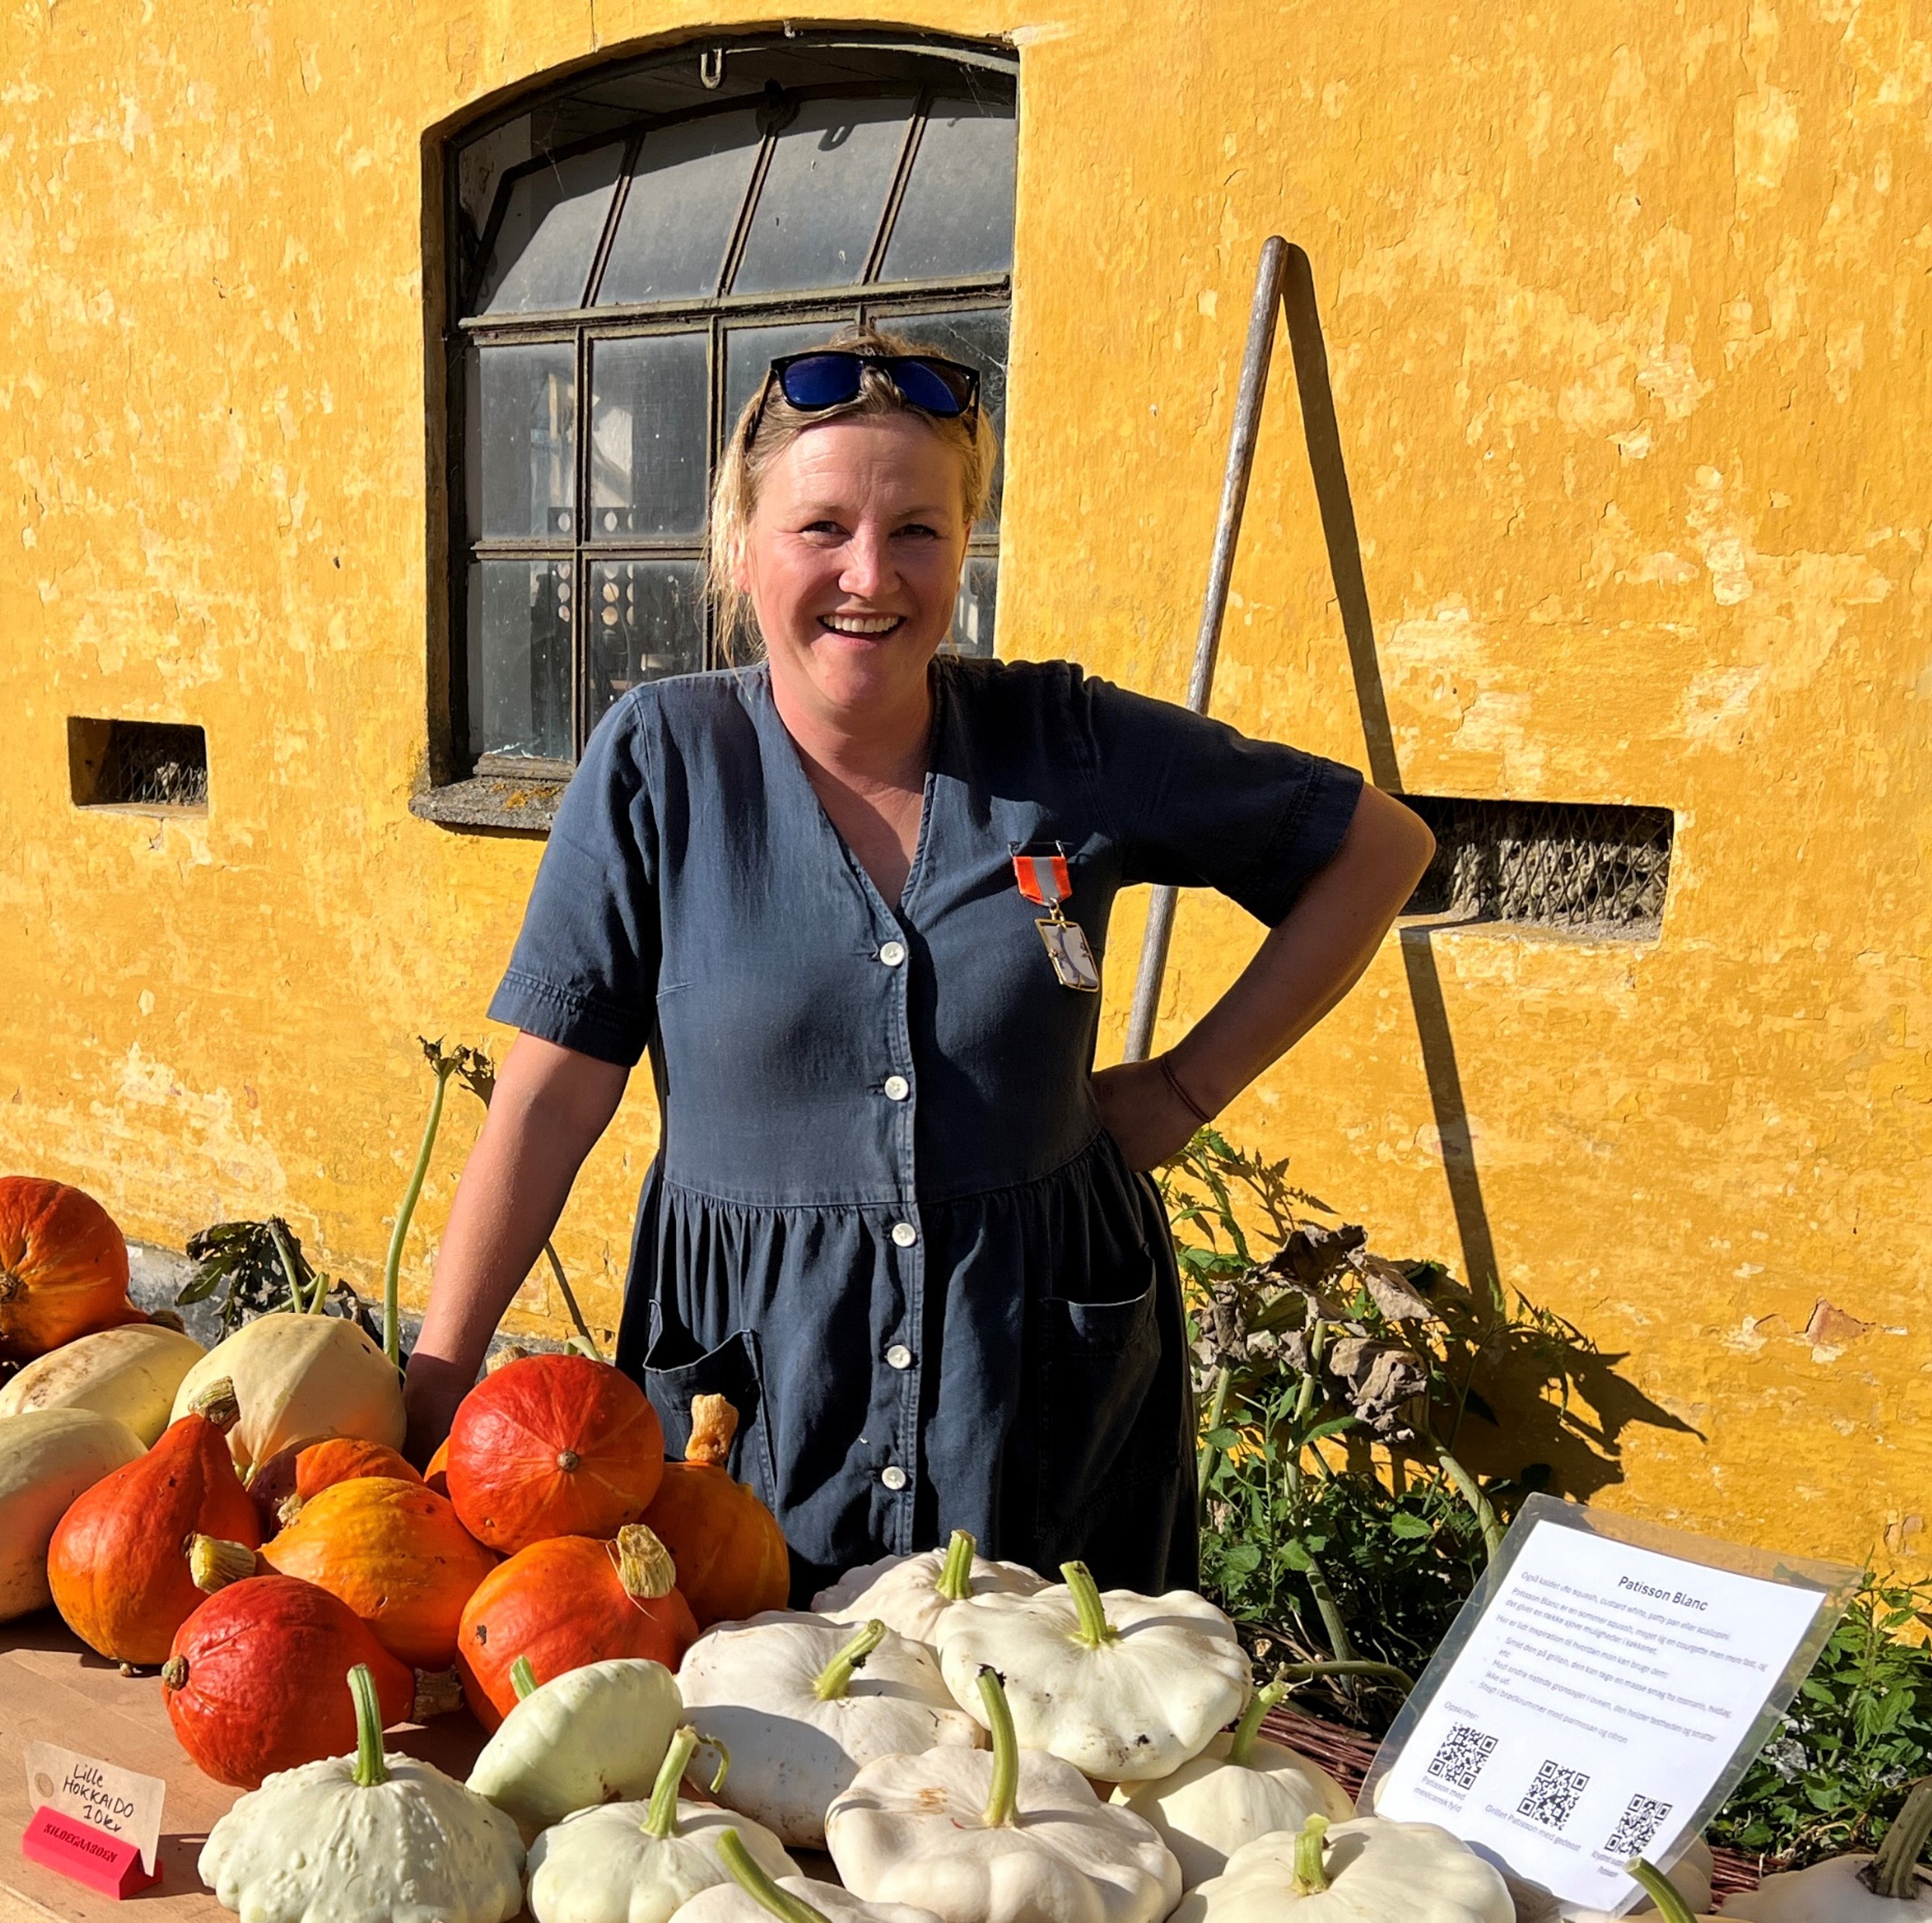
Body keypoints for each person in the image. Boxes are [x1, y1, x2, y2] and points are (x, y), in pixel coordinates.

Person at [402, 328, 1437, 1599]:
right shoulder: (659, 766)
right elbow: (549, 1099)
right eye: (821, 528)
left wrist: (1183, 1090)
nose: (869, 576)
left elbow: (1377, 848)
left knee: (1058, 1706)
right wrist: (435, 1388)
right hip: (755, 1401)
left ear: (965, 548)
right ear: (740, 546)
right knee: (750, 1706)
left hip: (1038, 1395)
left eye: (917, 533)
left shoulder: (1064, 741)